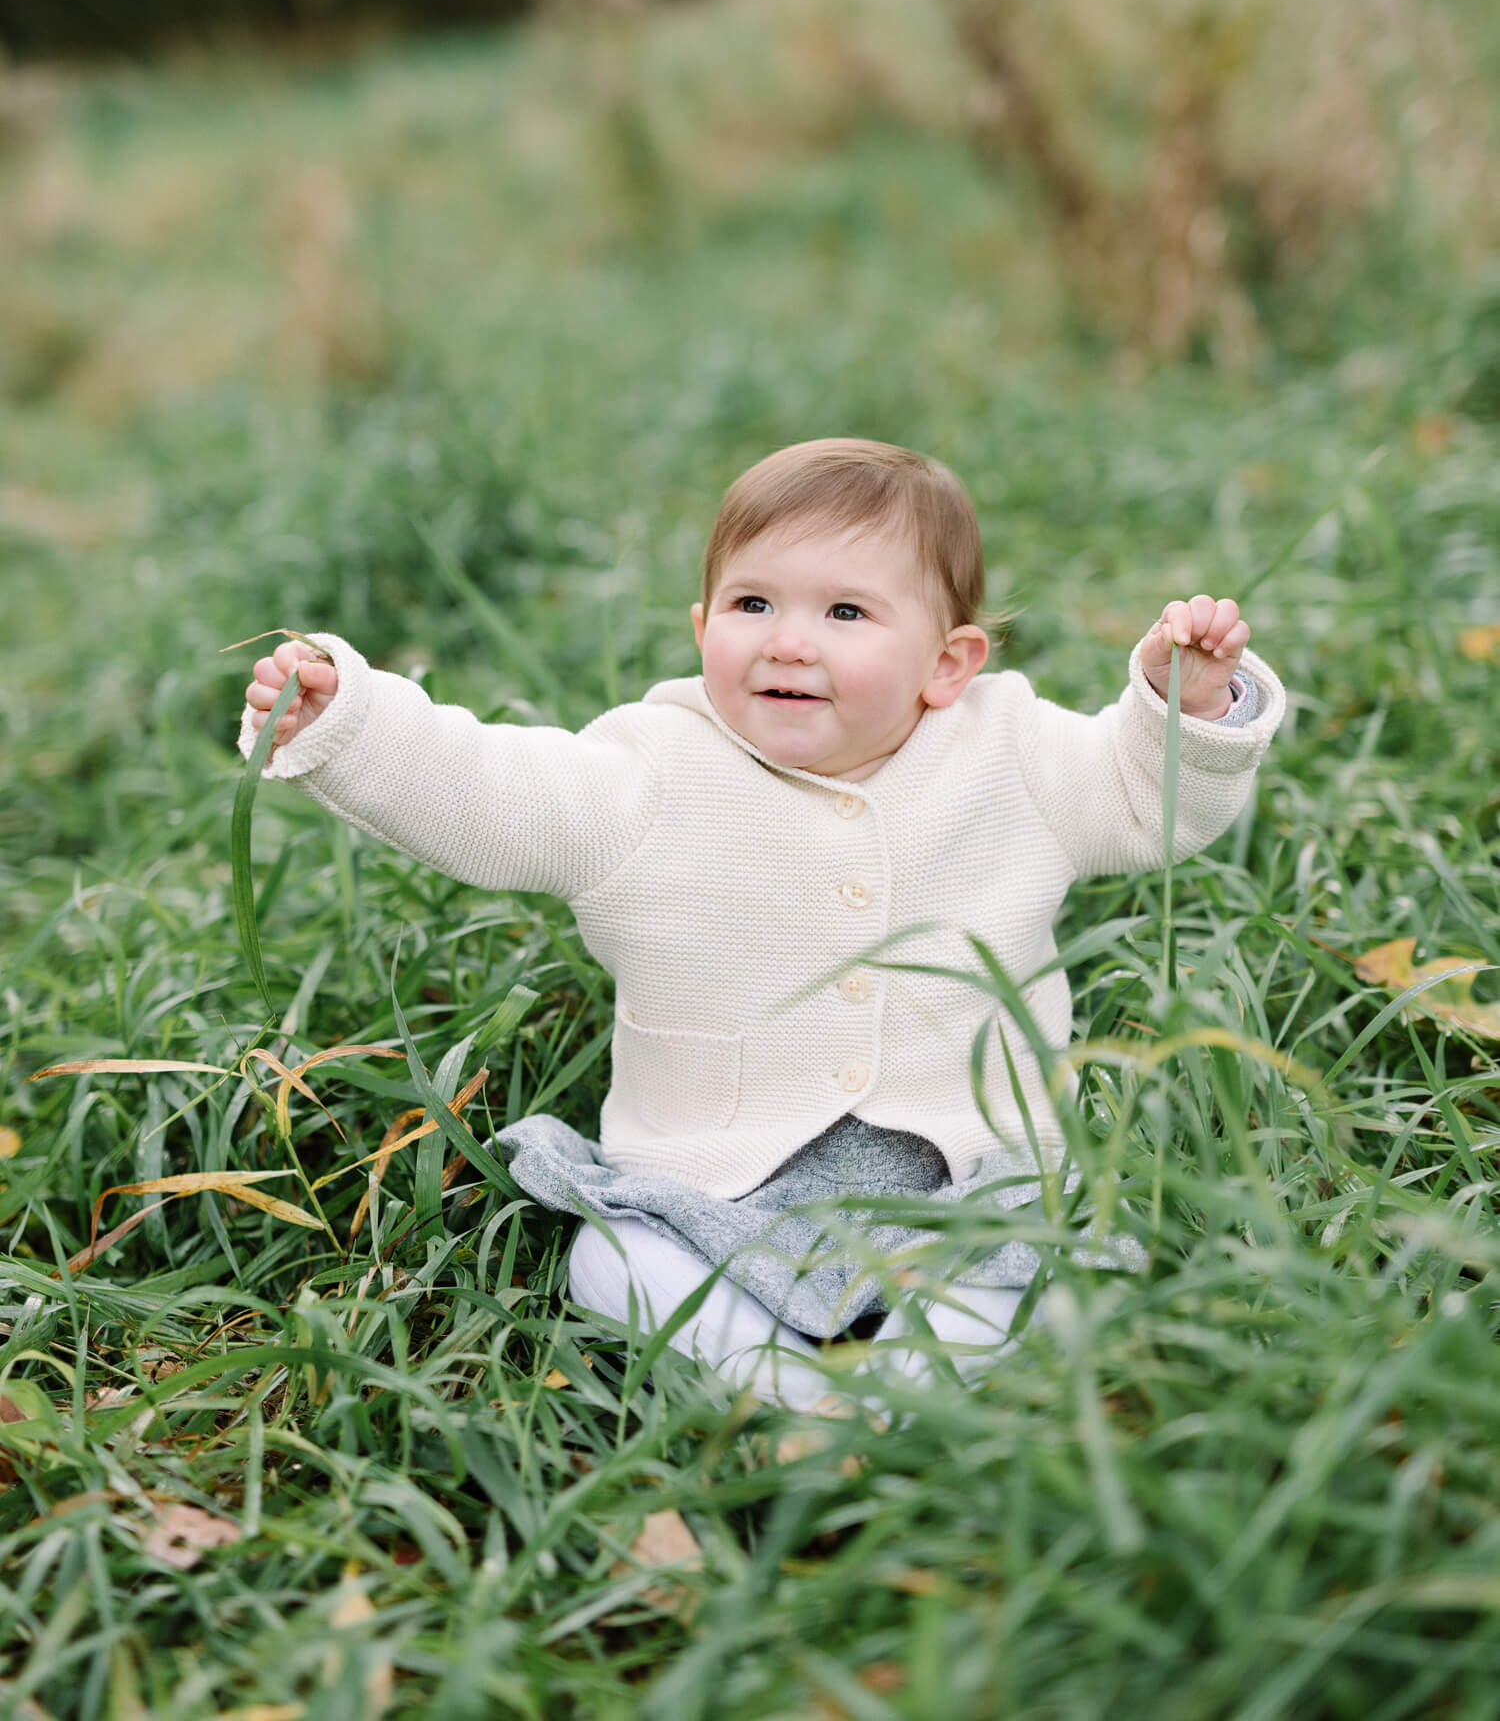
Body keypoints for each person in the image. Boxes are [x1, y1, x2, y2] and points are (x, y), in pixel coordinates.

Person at [241, 437, 1284, 1411]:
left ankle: (918, 1383)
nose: (788, 640)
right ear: (703, 632)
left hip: (966, 1176)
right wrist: (352, 721)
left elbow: (1144, 802)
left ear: (948, 664)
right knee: (615, 1263)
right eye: (751, 602)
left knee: (1044, 1268)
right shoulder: (647, 772)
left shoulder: (1012, 753)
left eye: (845, 614)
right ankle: (787, 1394)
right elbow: (488, 790)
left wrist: (1182, 704)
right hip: (718, 1180)